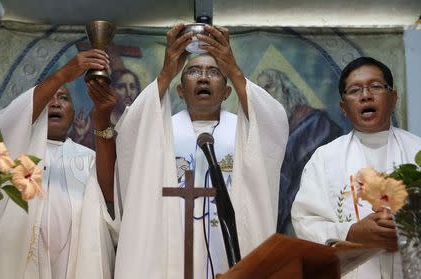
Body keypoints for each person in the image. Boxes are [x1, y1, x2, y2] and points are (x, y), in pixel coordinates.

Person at [103, 23, 289, 278]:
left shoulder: (244, 133)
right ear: (179, 90)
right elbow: (128, 136)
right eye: (193, 71)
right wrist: (167, 72)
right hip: (168, 250)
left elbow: (274, 125)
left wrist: (232, 68)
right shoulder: (159, 132)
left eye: (213, 72)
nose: (203, 77)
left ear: (226, 92)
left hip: (230, 250)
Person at [0, 50, 118, 279]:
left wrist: (102, 117)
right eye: (50, 96)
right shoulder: (14, 150)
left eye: (64, 98)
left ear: (74, 113)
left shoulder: (89, 158)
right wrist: (63, 75)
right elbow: (0, 127)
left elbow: (111, 196)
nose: (55, 103)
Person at [291, 57, 421, 279]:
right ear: (343, 107)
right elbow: (305, 223)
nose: (366, 95)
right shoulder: (325, 158)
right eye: (354, 90)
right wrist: (351, 233)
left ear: (393, 97)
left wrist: (407, 232)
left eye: (376, 86)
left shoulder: (417, 150)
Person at [257, 68, 343, 234]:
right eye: (261, 90)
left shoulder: (317, 123)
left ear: (286, 89)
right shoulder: (272, 132)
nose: (266, 95)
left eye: (270, 86)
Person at [70, 68, 141, 150]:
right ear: (110, 90)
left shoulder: (141, 121)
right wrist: (79, 137)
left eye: (132, 87)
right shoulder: (96, 120)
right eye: (121, 87)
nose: (128, 93)